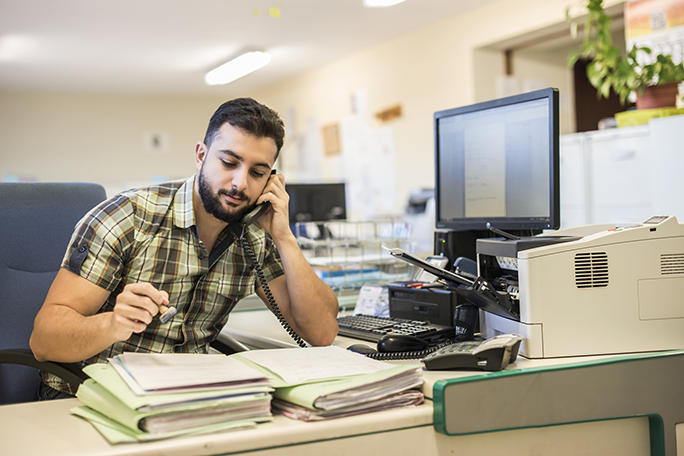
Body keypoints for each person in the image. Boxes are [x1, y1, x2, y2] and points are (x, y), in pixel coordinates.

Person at [30, 98, 340, 399]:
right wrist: (112, 324)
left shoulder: (257, 235)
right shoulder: (128, 217)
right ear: (201, 155)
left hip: (186, 398)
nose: (239, 183)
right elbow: (44, 340)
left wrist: (284, 237)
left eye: (257, 172)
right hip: (89, 394)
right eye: (229, 162)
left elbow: (322, 332)